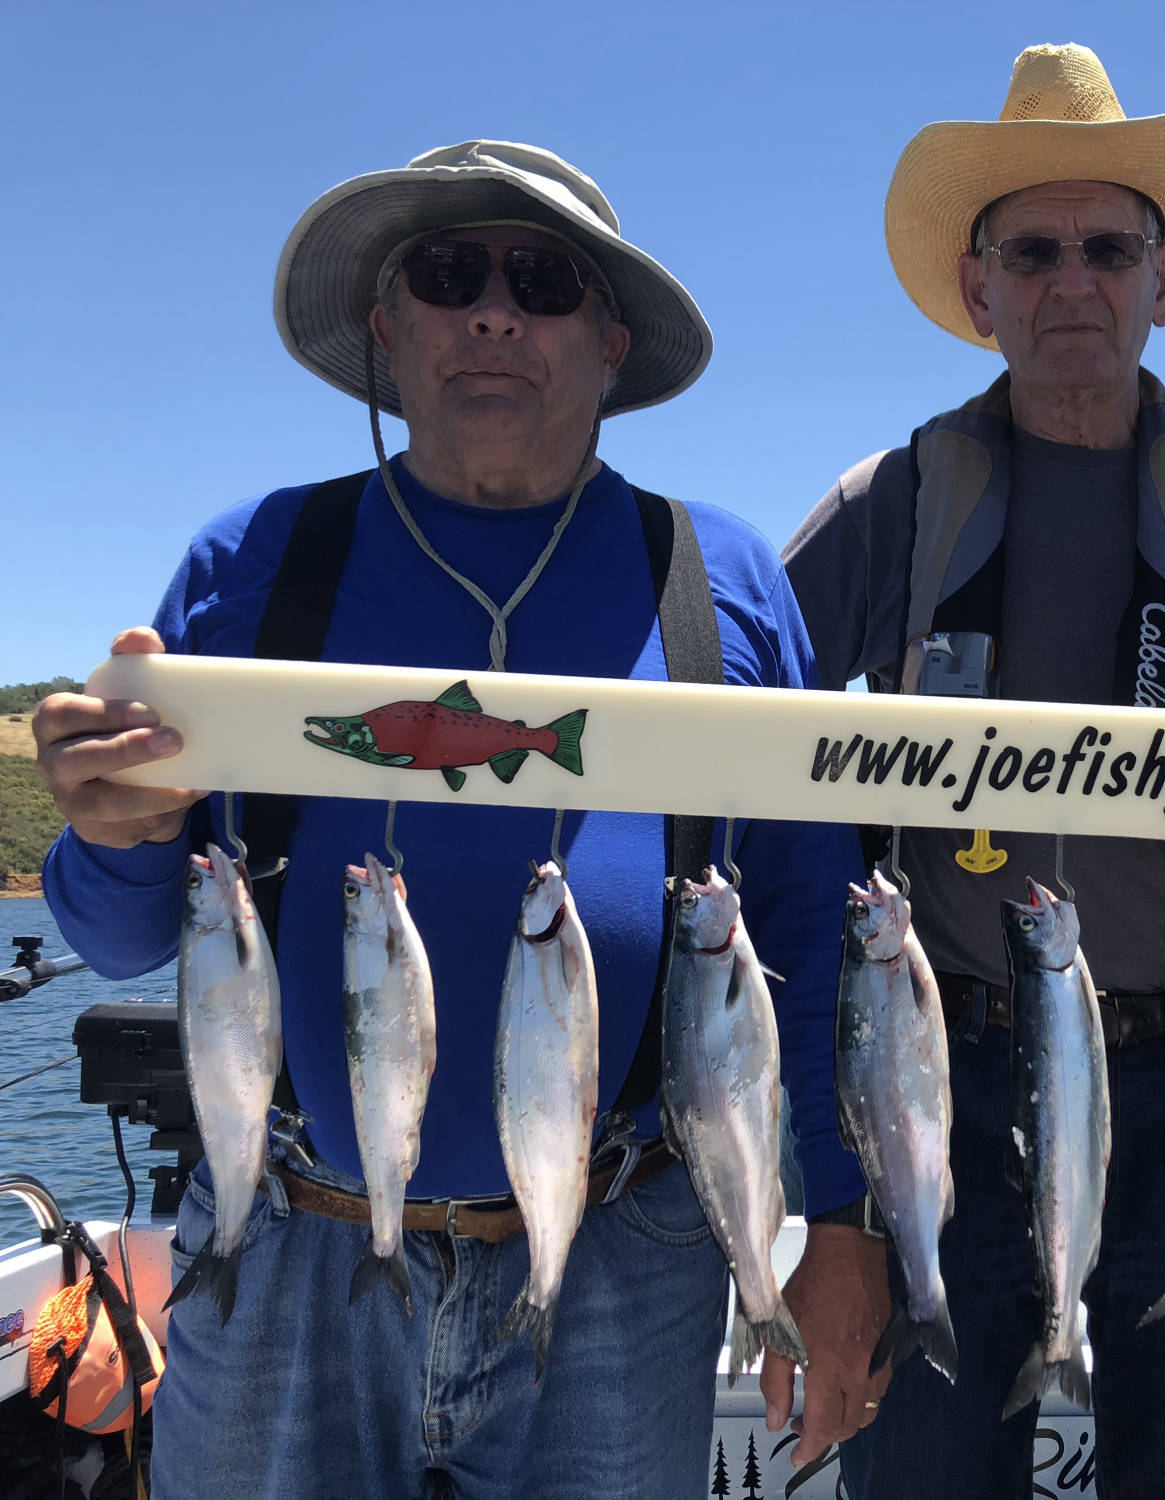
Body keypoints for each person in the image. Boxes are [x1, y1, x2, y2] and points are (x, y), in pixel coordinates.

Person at [32, 141, 882, 1499]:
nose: (495, 311)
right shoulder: (250, 565)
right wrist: (118, 832)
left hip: (632, 1251)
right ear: (386, 330)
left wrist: (841, 1223)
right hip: (282, 1239)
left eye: (540, 281)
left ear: (609, 344)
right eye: (448, 274)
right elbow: (128, 936)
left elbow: (811, 932)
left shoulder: (720, 582)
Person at [781, 43, 1165, 1500]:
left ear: (1163, 279)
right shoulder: (895, 504)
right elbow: (747, 768)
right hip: (944, 1092)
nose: (1070, 282)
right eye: (1030, 250)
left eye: (1108, 248)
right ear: (979, 288)